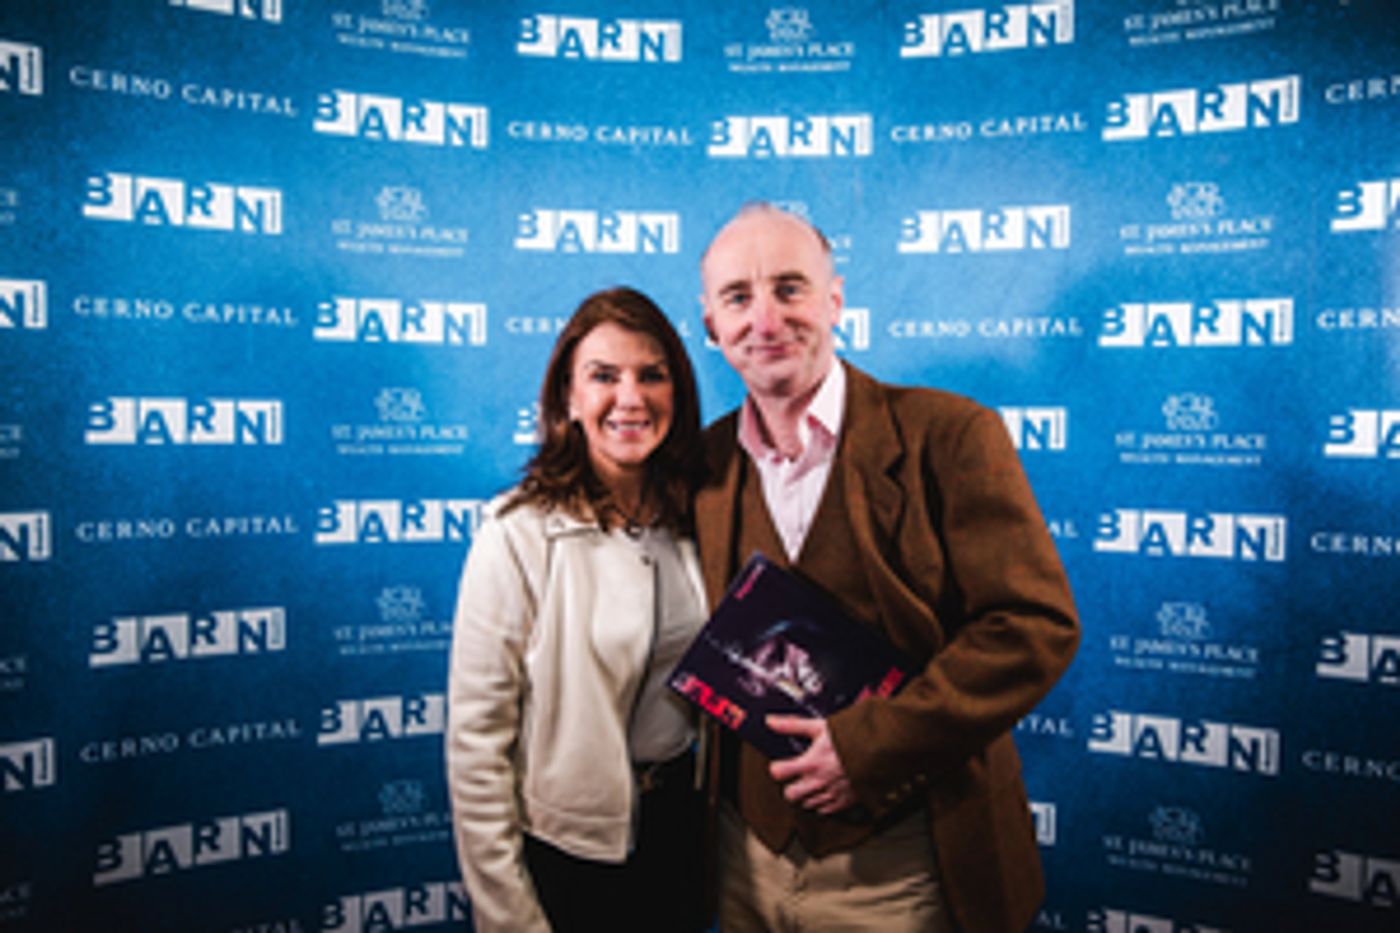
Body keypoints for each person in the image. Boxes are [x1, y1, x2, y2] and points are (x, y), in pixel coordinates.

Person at [695, 203, 1080, 932]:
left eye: (790, 288)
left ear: (836, 297)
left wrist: (869, 746)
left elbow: (1034, 626)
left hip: (909, 861)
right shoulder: (701, 465)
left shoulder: (952, 434)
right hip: (741, 859)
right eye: (738, 298)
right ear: (712, 324)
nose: (765, 319)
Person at [447, 287, 709, 933]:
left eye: (652, 375)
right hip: (570, 856)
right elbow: (477, 746)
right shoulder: (517, 532)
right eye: (603, 376)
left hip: (683, 838)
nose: (630, 398)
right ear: (568, 396)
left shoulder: (699, 518)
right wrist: (508, 918)